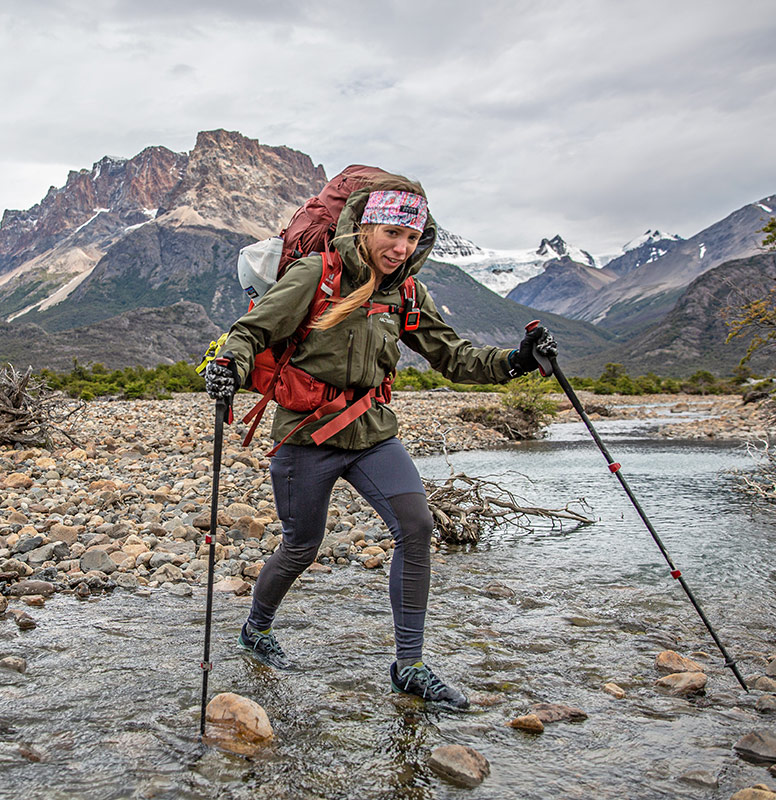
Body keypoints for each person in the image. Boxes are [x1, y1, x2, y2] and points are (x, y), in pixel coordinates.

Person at [203, 174, 556, 707]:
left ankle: (410, 666)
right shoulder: (314, 274)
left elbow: (454, 357)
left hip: (371, 433)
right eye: (392, 234)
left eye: (412, 239)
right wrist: (228, 364)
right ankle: (256, 627)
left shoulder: (408, 292)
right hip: (306, 436)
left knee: (416, 526)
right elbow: (253, 331)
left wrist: (516, 361)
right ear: (365, 227)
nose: (401, 248)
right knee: (301, 545)